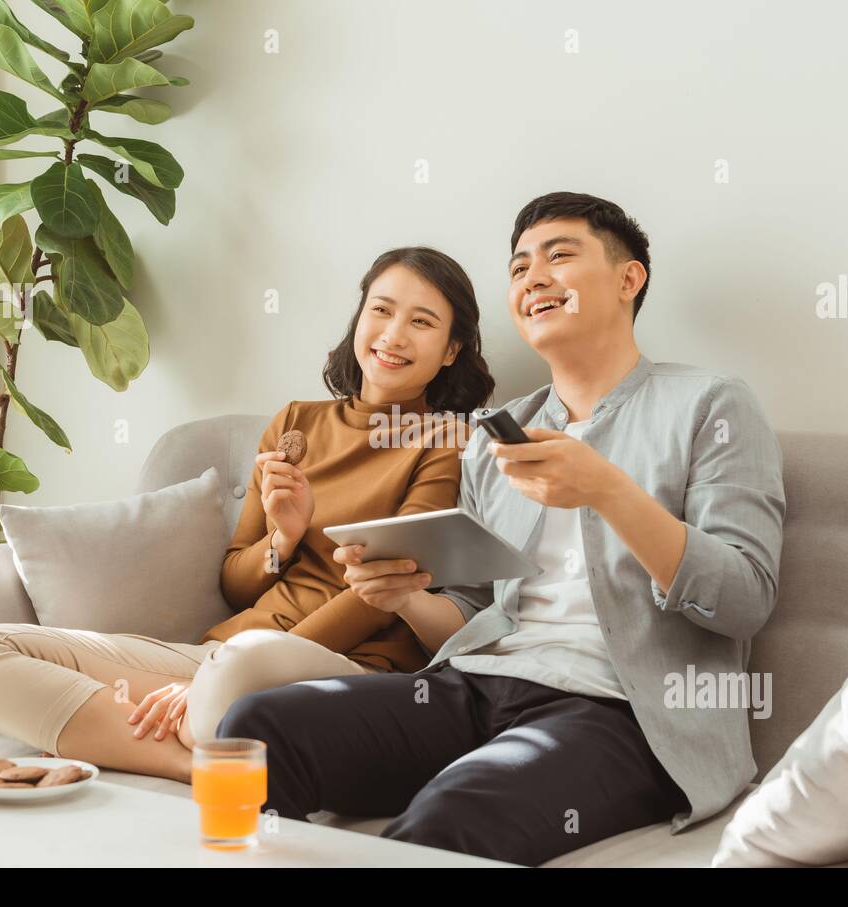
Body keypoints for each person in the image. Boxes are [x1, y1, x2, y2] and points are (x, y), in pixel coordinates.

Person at [215, 192, 787, 867]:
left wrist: (607, 489)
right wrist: (403, 597)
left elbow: (746, 596)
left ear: (629, 279)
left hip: (619, 713)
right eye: (519, 268)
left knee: (449, 819)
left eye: (559, 255)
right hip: (476, 684)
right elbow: (470, 611)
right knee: (257, 725)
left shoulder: (710, 403)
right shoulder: (496, 437)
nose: (532, 277)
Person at [0, 247, 494, 783]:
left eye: (421, 322)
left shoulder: (444, 441)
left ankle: (184, 722)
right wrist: (284, 535)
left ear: (450, 351)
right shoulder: (294, 421)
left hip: (335, 664)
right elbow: (235, 583)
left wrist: (228, 674)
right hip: (221, 653)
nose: (394, 334)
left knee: (242, 667)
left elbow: (382, 594)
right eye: (381, 309)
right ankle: (194, 764)